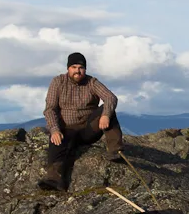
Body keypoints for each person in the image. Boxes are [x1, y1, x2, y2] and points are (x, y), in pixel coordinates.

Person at [38, 52, 124, 191]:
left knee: (108, 110)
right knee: (56, 142)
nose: (77, 71)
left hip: (88, 129)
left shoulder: (92, 82)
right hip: (67, 129)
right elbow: (50, 109)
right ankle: (54, 179)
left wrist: (106, 115)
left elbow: (110, 98)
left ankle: (115, 151)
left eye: (81, 67)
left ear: (85, 69)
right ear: (68, 68)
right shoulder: (57, 82)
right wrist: (54, 129)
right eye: (74, 67)